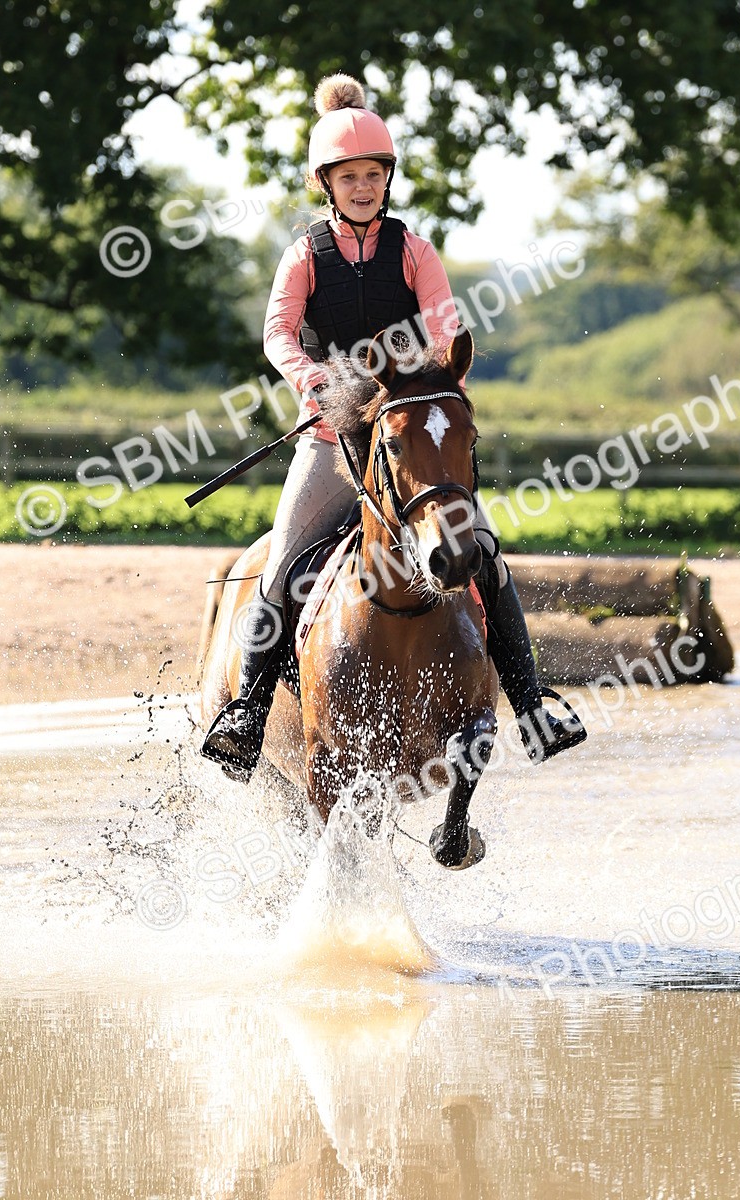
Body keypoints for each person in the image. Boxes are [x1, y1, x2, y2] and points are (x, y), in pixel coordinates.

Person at [201, 73, 586, 782]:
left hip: (406, 434)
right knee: (282, 562)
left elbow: (443, 327)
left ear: (387, 180)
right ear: (327, 183)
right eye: (349, 176)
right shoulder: (304, 256)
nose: (363, 186)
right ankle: (248, 713)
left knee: (485, 555)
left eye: (374, 175)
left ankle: (532, 705)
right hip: (332, 440)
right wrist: (311, 380)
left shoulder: (414, 251)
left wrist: (435, 392)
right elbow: (278, 333)